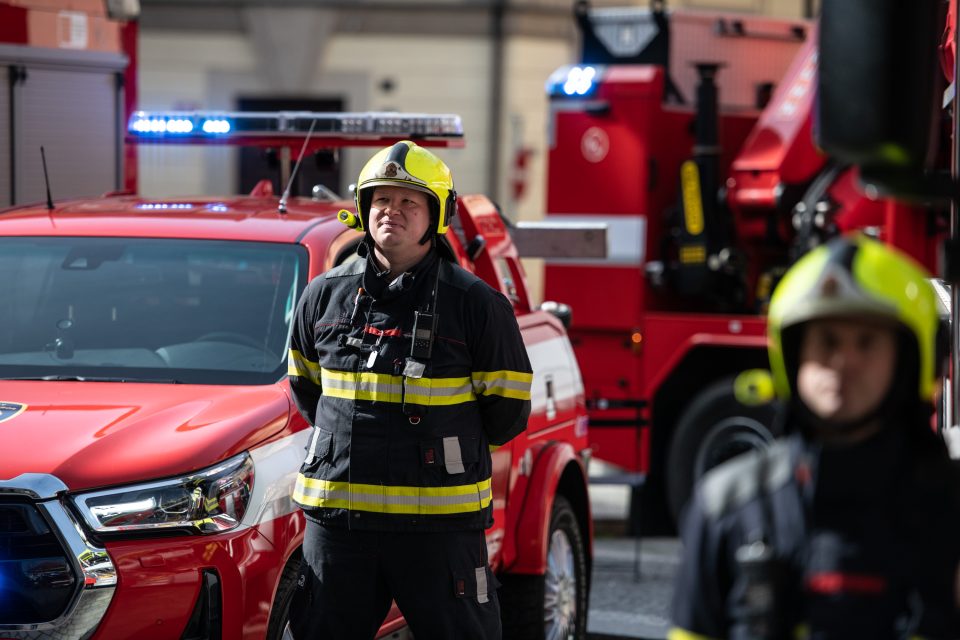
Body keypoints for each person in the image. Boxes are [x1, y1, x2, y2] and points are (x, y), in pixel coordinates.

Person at [286, 140, 533, 640]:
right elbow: (308, 391)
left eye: (408, 202)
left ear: (435, 214)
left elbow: (506, 413)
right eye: (381, 200)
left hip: (439, 529)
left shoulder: (477, 306)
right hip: (341, 526)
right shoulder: (322, 297)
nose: (391, 212)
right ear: (362, 208)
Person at [669, 233, 960, 639]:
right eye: (827, 341)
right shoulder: (726, 507)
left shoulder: (949, 511)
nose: (843, 362)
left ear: (909, 361)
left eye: (866, 342)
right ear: (792, 355)